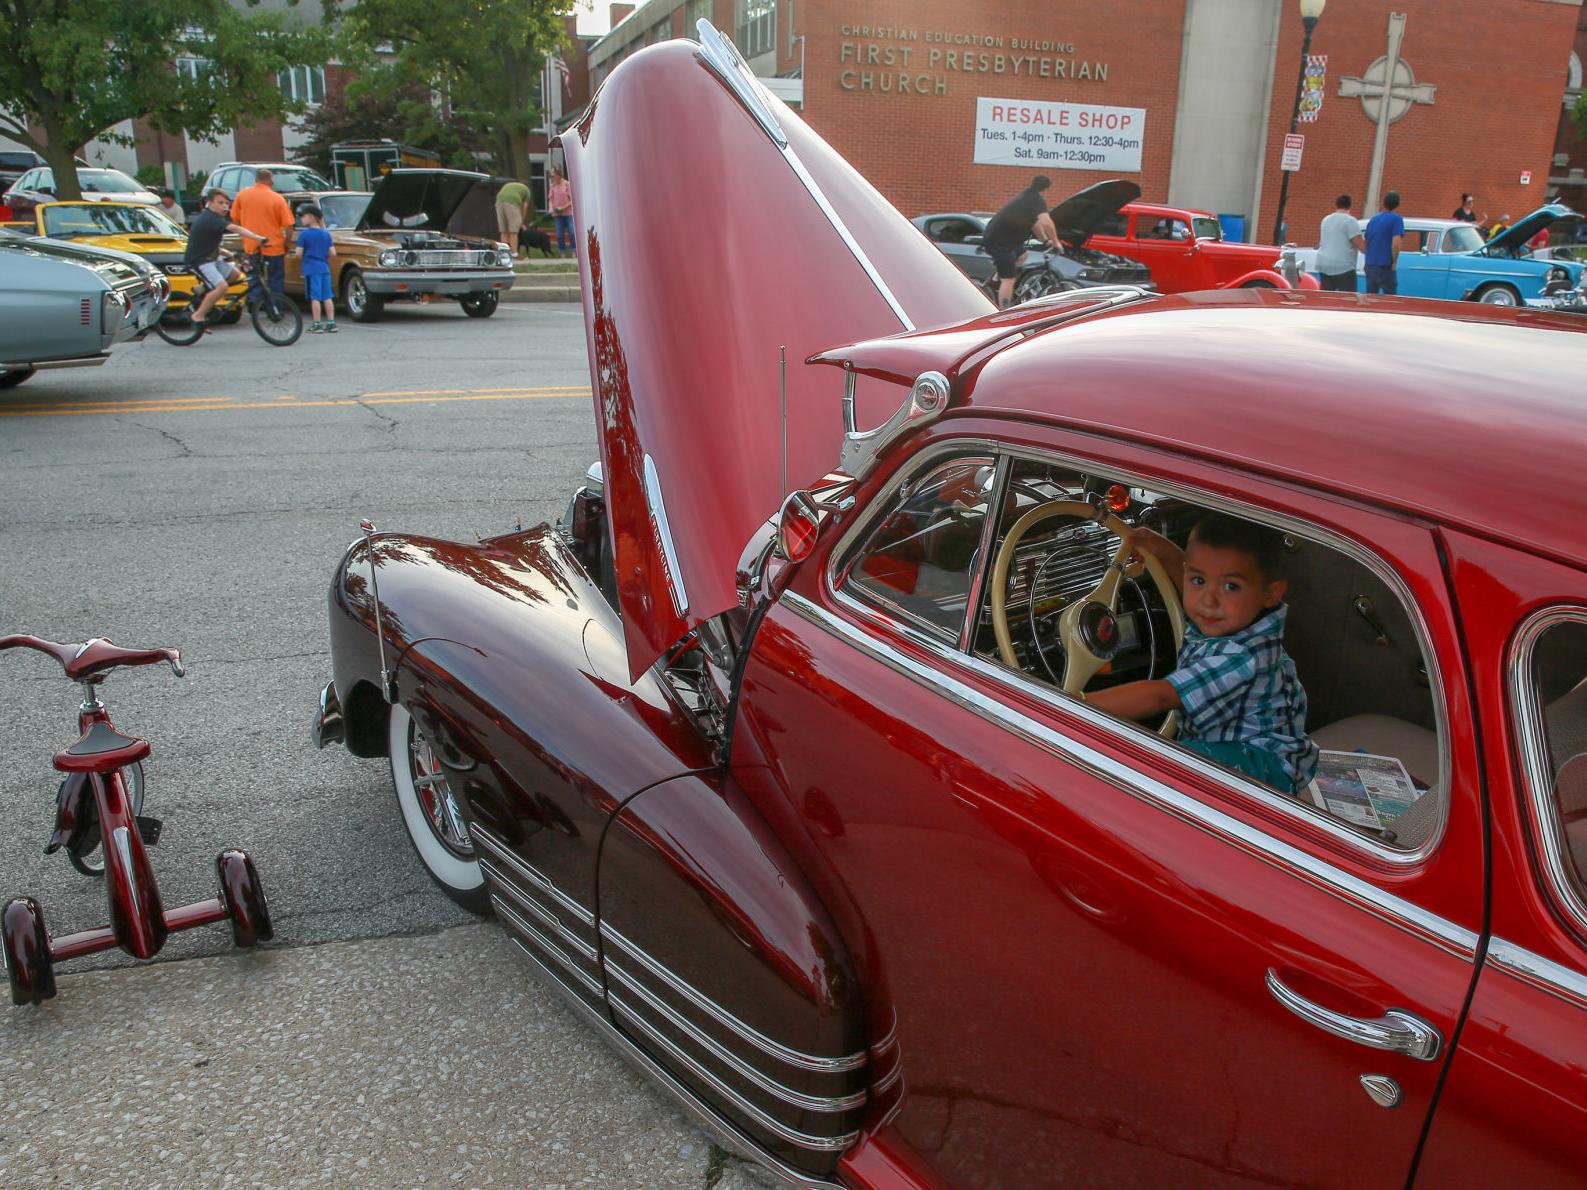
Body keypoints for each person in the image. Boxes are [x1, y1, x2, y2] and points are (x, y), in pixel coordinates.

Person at [1083, 513, 1319, 794]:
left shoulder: (1242, 655)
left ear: (1271, 594)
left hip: (1266, 765)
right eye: (1198, 580)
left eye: (1231, 586)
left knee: (1170, 763)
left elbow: (1159, 695)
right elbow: (1190, 586)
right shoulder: (1232, 619)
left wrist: (1073, 703)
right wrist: (1167, 553)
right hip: (1231, 743)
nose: (1208, 601)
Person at [181, 189, 266, 330]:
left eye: (227, 203)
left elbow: (210, 245)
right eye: (220, 203)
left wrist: (230, 254)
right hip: (199, 261)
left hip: (211, 258)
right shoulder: (210, 218)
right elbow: (235, 228)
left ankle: (202, 289)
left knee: (234, 275)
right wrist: (258, 238)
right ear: (210, 203)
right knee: (222, 287)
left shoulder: (215, 219)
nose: (225, 206)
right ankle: (198, 315)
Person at [981, 175, 1059, 308]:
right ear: (1046, 188)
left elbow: (1035, 224)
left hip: (1005, 240)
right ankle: (1004, 310)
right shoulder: (1035, 200)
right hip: (999, 242)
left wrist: (1046, 241)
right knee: (1009, 280)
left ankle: (995, 280)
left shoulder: (1026, 196)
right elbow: (1046, 222)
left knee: (1023, 255)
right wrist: (1056, 242)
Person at [229, 169, 294, 305]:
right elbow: (289, 226)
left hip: (251, 246)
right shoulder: (277, 198)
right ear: (270, 181)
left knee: (254, 277)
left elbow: (234, 218)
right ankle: (276, 307)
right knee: (275, 279)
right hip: (274, 246)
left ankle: (255, 305)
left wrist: (244, 236)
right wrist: (286, 243)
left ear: (256, 180)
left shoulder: (242, 195)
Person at [296, 205, 337, 334]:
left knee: (315, 297)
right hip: (324, 267)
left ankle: (317, 323)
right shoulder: (326, 233)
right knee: (327, 296)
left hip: (310, 268)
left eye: (303, 216)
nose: (301, 219)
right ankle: (331, 323)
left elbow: (298, 253)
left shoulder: (304, 234)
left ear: (311, 217)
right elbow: (333, 252)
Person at [1315, 194, 1366, 292]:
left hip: (1323, 263)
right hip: (1343, 266)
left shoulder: (1325, 220)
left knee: (1327, 297)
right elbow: (1360, 245)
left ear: (1336, 205)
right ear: (1350, 206)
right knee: (1347, 298)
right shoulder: (1350, 221)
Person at [1362, 191, 1404, 295]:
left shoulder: (1373, 219)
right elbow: (1396, 242)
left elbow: (1366, 242)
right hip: (1385, 264)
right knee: (1390, 297)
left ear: (1383, 203)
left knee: (1371, 296)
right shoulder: (1396, 219)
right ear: (1397, 204)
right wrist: (1395, 261)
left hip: (1370, 264)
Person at [495, 177, 530, 257]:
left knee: (503, 231)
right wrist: (521, 222)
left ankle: (504, 253)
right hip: (512, 203)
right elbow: (524, 207)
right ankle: (514, 253)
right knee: (513, 231)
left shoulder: (509, 185)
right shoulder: (526, 191)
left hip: (499, 201)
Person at [547, 167, 574, 258]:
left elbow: (572, 200)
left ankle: (573, 250)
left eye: (553, 175)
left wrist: (562, 207)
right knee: (559, 234)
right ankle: (562, 251)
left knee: (572, 232)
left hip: (568, 213)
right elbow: (550, 199)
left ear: (558, 175)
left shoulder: (567, 184)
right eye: (550, 176)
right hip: (557, 214)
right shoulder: (552, 186)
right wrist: (551, 208)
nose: (551, 177)